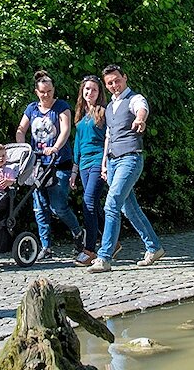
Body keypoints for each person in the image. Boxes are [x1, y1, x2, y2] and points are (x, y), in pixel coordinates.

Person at [88, 65, 162, 273]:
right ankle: (154, 247)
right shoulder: (109, 107)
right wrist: (104, 162)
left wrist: (140, 119)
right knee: (129, 208)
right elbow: (109, 136)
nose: (114, 85)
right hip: (112, 161)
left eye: (117, 81)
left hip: (130, 159)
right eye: (110, 83)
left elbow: (141, 108)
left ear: (125, 78)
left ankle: (104, 257)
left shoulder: (134, 99)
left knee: (111, 205)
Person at [15, 70, 83, 259]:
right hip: (37, 164)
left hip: (58, 163)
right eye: (43, 92)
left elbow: (65, 129)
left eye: (49, 91)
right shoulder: (31, 109)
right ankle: (46, 246)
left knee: (58, 206)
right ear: (36, 92)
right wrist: (24, 147)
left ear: (54, 91)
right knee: (39, 206)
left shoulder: (61, 107)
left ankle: (78, 233)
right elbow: (21, 130)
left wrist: (55, 147)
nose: (46, 95)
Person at [70, 75, 110, 266]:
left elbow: (109, 139)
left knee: (88, 203)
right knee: (92, 205)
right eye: (87, 89)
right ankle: (113, 240)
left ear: (99, 92)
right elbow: (77, 143)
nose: (90, 92)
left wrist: (105, 164)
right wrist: (74, 170)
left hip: (98, 161)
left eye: (94, 89)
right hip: (84, 164)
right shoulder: (79, 113)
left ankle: (90, 249)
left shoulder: (103, 112)